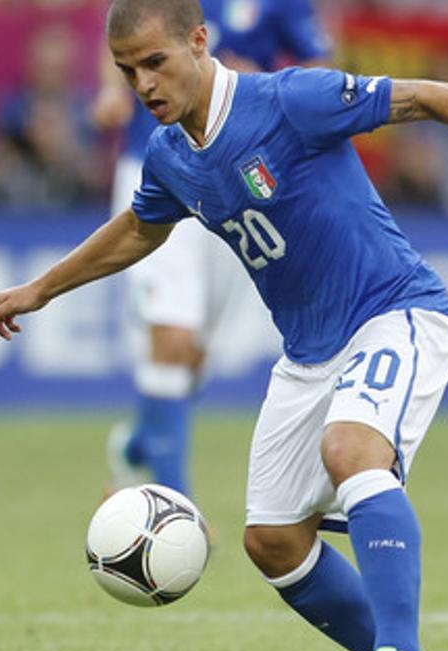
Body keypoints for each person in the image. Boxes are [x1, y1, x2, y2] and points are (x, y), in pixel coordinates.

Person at [0, 1, 448, 651]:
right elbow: (138, 229)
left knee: (350, 447)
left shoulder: (291, 99)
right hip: (308, 355)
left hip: (395, 311)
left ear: (198, 41)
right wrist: (39, 290)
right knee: (273, 539)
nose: (145, 85)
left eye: (156, 62)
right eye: (129, 72)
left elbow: (425, 97)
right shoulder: (169, 155)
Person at [89, 0, 333, 498]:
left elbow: (318, 68)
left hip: (237, 177)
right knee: (173, 338)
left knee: (195, 353)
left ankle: (137, 444)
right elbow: (120, 35)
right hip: (158, 170)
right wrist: (111, 89)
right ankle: (174, 503)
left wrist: (258, 78)